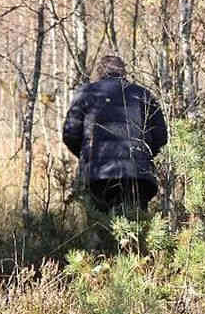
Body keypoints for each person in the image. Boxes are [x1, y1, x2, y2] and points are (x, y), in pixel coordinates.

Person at [63, 55, 167, 215]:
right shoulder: (144, 94)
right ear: (123, 72)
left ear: (99, 72)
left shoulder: (86, 93)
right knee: (135, 230)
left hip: (98, 175)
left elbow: (70, 133)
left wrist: (88, 157)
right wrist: (143, 157)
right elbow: (160, 136)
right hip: (138, 177)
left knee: (100, 231)